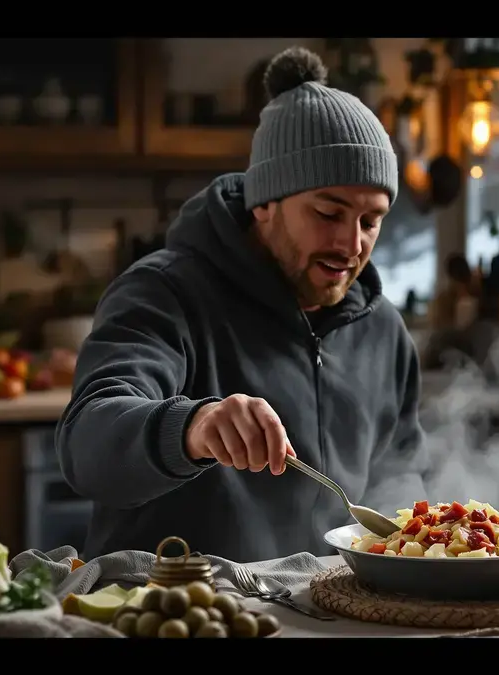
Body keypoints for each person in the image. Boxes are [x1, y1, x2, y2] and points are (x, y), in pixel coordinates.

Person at [56, 47, 431, 563]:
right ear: (264, 203)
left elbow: (399, 472)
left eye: (371, 221)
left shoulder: (383, 329)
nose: (351, 244)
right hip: (177, 609)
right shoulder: (164, 293)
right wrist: (192, 427)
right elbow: (86, 444)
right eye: (328, 212)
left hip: (324, 615)